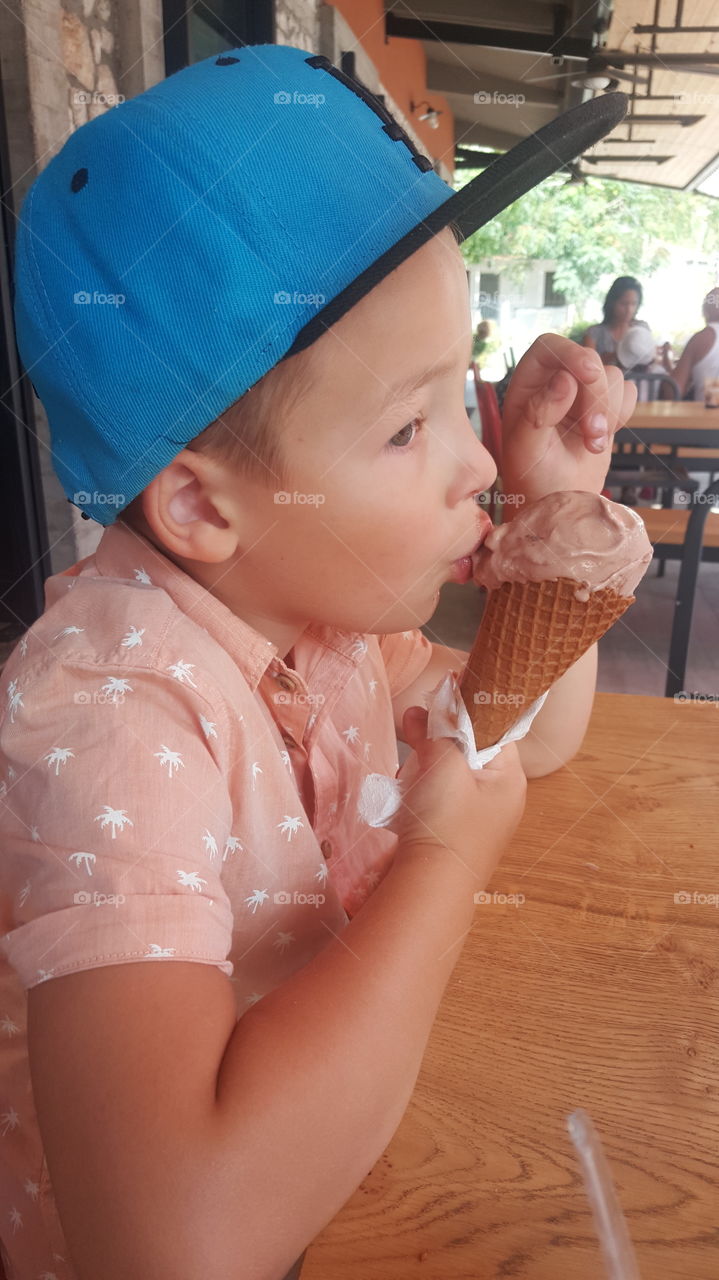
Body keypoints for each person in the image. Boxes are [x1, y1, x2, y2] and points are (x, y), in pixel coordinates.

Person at [0, 47, 633, 1280]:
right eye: (408, 425)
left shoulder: (318, 615)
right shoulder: (112, 712)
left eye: (465, 394)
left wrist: (554, 511)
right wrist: (445, 859)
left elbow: (530, 740)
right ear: (200, 507)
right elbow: (170, 1241)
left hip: (340, 1170)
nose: (472, 462)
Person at [582, 276, 652, 366]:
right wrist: (619, 353)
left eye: (633, 304)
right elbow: (588, 365)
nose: (629, 310)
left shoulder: (642, 328)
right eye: (624, 304)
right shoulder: (594, 333)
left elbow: (651, 359)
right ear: (612, 303)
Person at [665, 288, 719, 400]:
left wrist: (667, 362)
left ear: (705, 311)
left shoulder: (704, 337)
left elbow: (673, 392)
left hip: (707, 415)